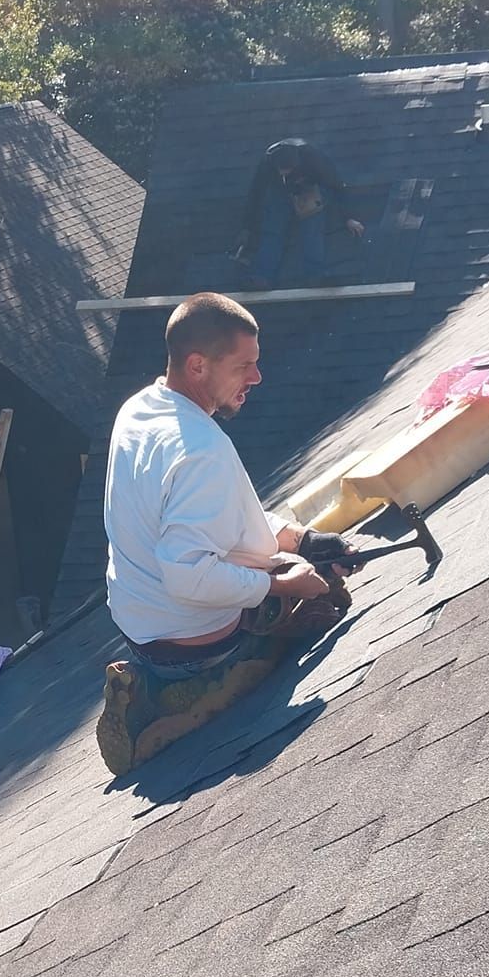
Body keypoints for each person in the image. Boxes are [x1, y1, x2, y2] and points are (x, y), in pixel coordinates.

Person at [96, 292, 353, 775]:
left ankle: (150, 682)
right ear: (197, 365)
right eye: (243, 367)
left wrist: (303, 541)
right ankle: (181, 702)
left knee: (296, 567)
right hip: (194, 639)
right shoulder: (201, 451)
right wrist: (285, 584)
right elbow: (189, 577)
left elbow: (226, 522)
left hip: (141, 625)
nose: (256, 378)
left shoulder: (143, 410)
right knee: (325, 603)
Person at [239, 138, 365, 288]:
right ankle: (262, 277)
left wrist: (349, 217)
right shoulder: (268, 162)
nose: (284, 176)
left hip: (308, 188)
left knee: (312, 227)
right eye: (281, 173)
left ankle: (315, 276)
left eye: (288, 172)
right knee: (272, 230)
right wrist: (247, 227)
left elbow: (337, 185)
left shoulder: (313, 158)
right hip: (280, 194)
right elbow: (256, 194)